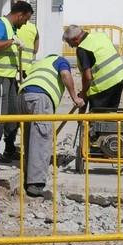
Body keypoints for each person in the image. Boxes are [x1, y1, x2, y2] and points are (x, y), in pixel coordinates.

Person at [19, 54, 85, 197]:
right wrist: (75, 97)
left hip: (23, 96)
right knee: (41, 140)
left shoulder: (40, 63)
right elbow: (65, 74)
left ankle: (27, 177)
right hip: (41, 98)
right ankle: (35, 184)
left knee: (30, 139)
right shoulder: (60, 60)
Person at [0, 0, 34, 161]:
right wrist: (11, 41)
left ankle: (10, 147)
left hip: (8, 76)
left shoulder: (12, 27)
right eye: (25, 19)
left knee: (13, 112)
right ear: (19, 15)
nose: (25, 23)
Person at [62, 24, 123, 111]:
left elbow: (88, 77)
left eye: (69, 43)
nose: (70, 46)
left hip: (103, 86)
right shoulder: (100, 36)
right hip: (119, 79)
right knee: (111, 115)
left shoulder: (83, 48)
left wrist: (83, 93)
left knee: (96, 119)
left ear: (75, 39)